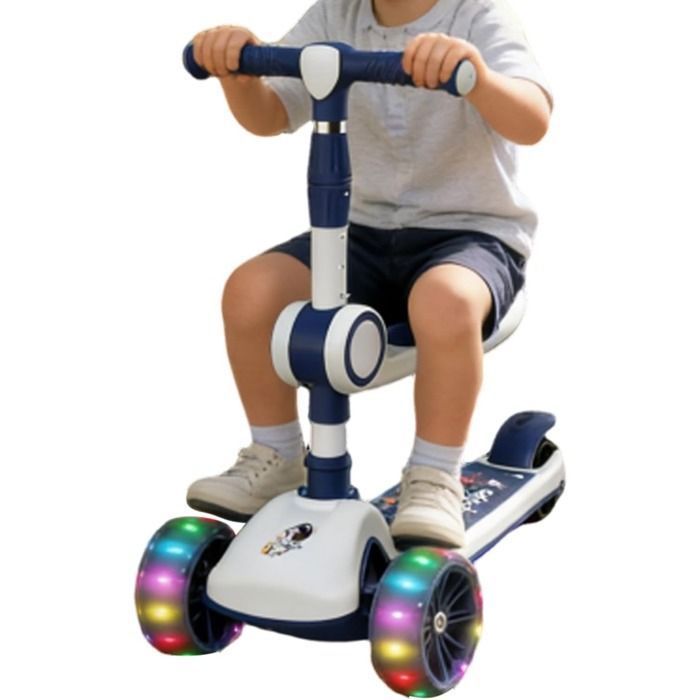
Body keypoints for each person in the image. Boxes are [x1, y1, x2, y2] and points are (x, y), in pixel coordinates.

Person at [185, 0, 552, 548]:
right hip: (363, 234)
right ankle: (277, 452)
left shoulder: (477, 15)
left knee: (444, 301)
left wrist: (476, 75)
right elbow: (272, 115)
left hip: (471, 233)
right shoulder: (336, 15)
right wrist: (238, 75)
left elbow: (533, 121)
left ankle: (434, 475)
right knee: (251, 290)